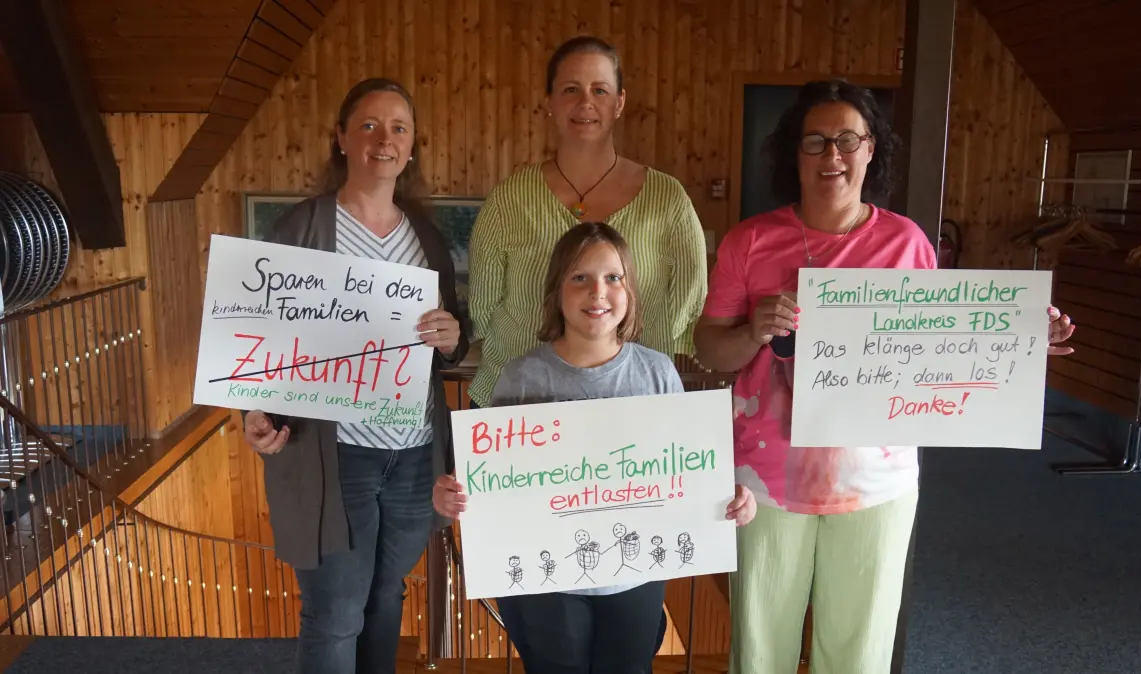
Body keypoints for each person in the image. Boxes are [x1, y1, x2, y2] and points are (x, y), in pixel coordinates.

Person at [692, 79, 1077, 674]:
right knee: (759, 648)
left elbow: (942, 346)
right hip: (766, 479)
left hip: (877, 479)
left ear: (871, 150)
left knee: (860, 651)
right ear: (793, 152)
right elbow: (712, 351)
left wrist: (1023, 340)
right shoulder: (751, 241)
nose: (832, 156)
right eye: (815, 141)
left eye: (849, 139)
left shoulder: (905, 242)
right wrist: (753, 331)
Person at [435, 222, 756, 674]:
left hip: (635, 575)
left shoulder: (657, 374)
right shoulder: (522, 377)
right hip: (545, 581)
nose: (597, 292)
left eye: (613, 277)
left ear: (629, 291)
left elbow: (687, 470)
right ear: (556, 291)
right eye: (579, 277)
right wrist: (453, 494)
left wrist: (730, 496)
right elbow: (492, 482)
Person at [241, 78, 469, 674]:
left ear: (413, 146)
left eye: (398, 128)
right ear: (341, 138)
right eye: (368, 125)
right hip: (336, 455)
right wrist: (259, 412)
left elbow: (448, 335)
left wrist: (452, 336)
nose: (383, 140)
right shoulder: (303, 228)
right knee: (337, 611)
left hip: (415, 456)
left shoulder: (425, 238)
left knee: (385, 597)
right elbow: (265, 334)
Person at [467, 35, 708, 412]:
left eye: (599, 90)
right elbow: (481, 308)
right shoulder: (509, 199)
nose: (585, 103)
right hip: (519, 409)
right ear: (549, 101)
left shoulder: (668, 200)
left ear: (619, 102)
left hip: (632, 407)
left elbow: (690, 306)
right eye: (570, 89)